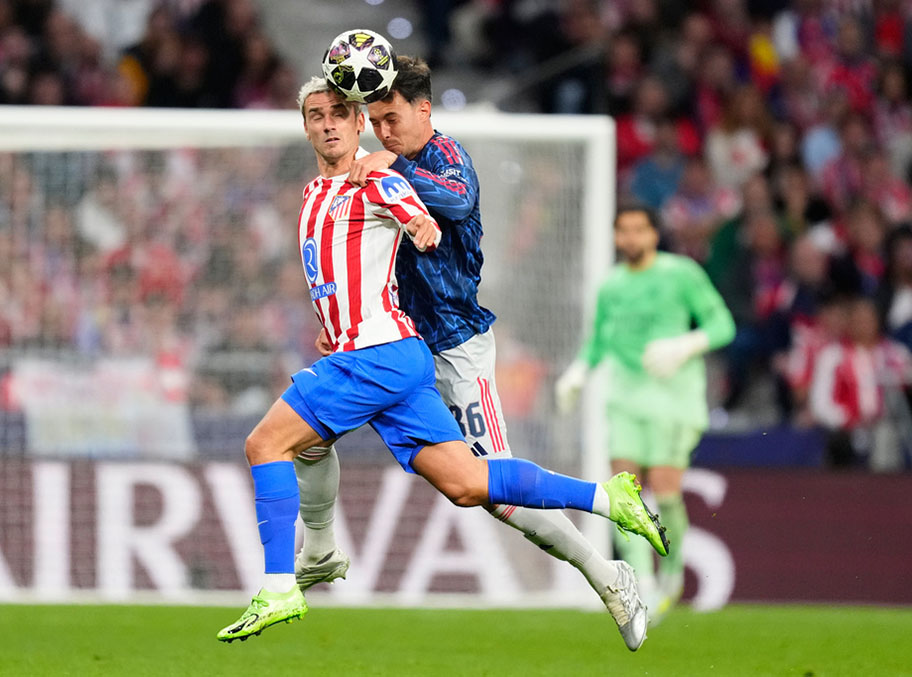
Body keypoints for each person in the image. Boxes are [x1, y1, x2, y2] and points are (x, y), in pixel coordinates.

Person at [216, 76, 668, 646]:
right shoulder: (327, 189)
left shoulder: (432, 160)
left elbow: (443, 207)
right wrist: (340, 322)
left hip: (450, 347)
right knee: (455, 482)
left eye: (388, 119)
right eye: (371, 121)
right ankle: (323, 549)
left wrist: (395, 179)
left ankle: (606, 571)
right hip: (396, 344)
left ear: (421, 109)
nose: (383, 130)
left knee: (488, 497)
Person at [555, 205, 735, 624]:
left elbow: (723, 324)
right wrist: (578, 372)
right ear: (617, 237)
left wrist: (684, 346)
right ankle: (643, 583)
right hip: (626, 397)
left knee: (665, 489)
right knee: (625, 491)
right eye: (624, 231)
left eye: (640, 230)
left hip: (674, 398)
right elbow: (598, 342)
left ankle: (671, 571)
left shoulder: (681, 274)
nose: (632, 238)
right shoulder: (612, 286)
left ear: (654, 234)